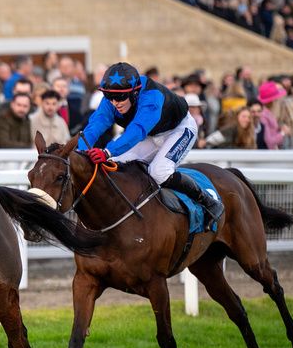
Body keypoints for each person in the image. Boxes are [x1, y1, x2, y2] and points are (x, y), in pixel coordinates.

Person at [78, 62, 223, 226]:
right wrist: (80, 152)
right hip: (151, 134)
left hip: (179, 129)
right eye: (109, 96)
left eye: (120, 98)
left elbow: (137, 131)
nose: (114, 102)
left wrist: (107, 152)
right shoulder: (112, 98)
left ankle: (207, 200)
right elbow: (94, 126)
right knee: (115, 166)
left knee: (159, 172)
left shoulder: (151, 98)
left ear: (134, 93)